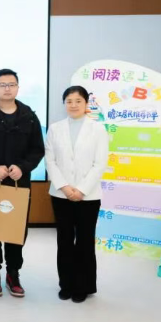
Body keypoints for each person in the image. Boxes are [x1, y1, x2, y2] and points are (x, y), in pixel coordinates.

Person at [0, 68, 45, 298]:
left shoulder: (29, 116)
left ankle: (13, 273)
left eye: (11, 84)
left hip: (19, 183)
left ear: (18, 88)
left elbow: (37, 150)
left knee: (16, 229)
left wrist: (22, 167)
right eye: (2, 85)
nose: (7, 89)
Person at [45, 85, 109, 304]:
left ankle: (83, 286)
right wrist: (64, 187)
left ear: (86, 103)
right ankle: (66, 284)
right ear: (64, 104)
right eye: (69, 101)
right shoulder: (55, 129)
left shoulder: (98, 129)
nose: (73, 105)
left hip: (88, 196)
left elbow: (100, 163)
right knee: (64, 241)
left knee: (84, 241)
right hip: (60, 194)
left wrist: (81, 189)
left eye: (78, 101)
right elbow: (50, 161)